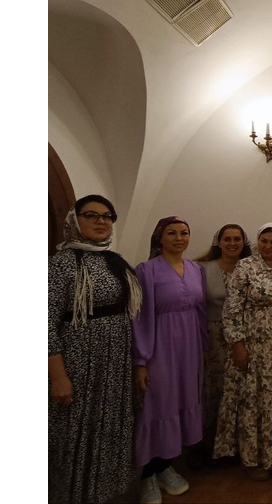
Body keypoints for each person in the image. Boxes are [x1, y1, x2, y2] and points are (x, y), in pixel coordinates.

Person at [48, 195, 142, 503]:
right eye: (91, 215)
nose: (101, 221)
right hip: (78, 364)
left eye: (107, 216)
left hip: (113, 363)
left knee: (108, 428)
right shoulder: (61, 264)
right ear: (74, 221)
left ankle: (102, 493)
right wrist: (58, 377)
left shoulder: (113, 259)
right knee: (75, 432)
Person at [133, 216, 207, 504]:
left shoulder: (195, 269)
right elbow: (140, 317)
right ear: (160, 237)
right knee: (158, 405)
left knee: (180, 401)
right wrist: (141, 360)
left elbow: (200, 311)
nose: (179, 238)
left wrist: (203, 345)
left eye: (184, 233)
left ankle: (166, 466)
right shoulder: (146, 270)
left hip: (189, 348)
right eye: (172, 233)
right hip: (159, 348)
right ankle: (148, 474)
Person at [213, 223, 272, 481]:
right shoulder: (245, 266)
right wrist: (237, 344)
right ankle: (252, 458)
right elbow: (232, 308)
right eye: (264, 240)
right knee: (252, 400)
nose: (268, 246)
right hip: (252, 345)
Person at [190, 224, 252, 466]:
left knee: (238, 390)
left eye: (237, 239)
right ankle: (206, 445)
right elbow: (195, 306)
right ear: (219, 241)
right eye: (228, 239)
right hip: (213, 336)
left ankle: (235, 444)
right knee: (212, 388)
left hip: (241, 337)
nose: (232, 243)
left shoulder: (250, 267)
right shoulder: (202, 269)